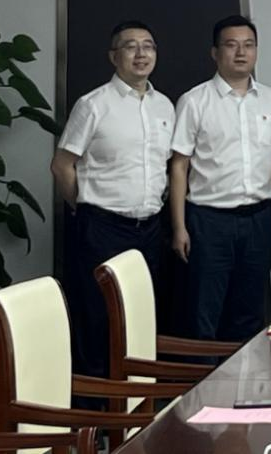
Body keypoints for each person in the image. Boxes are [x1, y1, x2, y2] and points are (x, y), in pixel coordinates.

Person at [52, 20, 173, 376]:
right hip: (101, 226)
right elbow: (62, 165)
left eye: (148, 46)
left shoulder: (165, 106)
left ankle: (134, 399)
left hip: (150, 228)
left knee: (141, 314)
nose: (141, 54)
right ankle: (93, 405)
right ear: (113, 56)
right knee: (96, 315)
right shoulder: (93, 104)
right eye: (131, 46)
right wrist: (86, 208)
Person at [170, 15, 271, 340]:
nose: (241, 52)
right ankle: (204, 374)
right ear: (215, 52)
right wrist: (179, 227)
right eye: (231, 45)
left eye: (249, 45)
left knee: (250, 311)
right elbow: (179, 165)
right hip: (209, 221)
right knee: (204, 310)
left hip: (258, 219)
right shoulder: (194, 101)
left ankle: (245, 374)